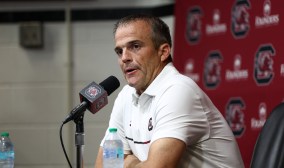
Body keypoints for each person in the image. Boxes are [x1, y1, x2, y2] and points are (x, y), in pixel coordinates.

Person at [95, 14, 244, 168]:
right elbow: (102, 165)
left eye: (135, 46)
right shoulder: (126, 95)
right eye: (119, 51)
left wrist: (128, 163)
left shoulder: (178, 90)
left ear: (163, 51)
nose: (124, 58)